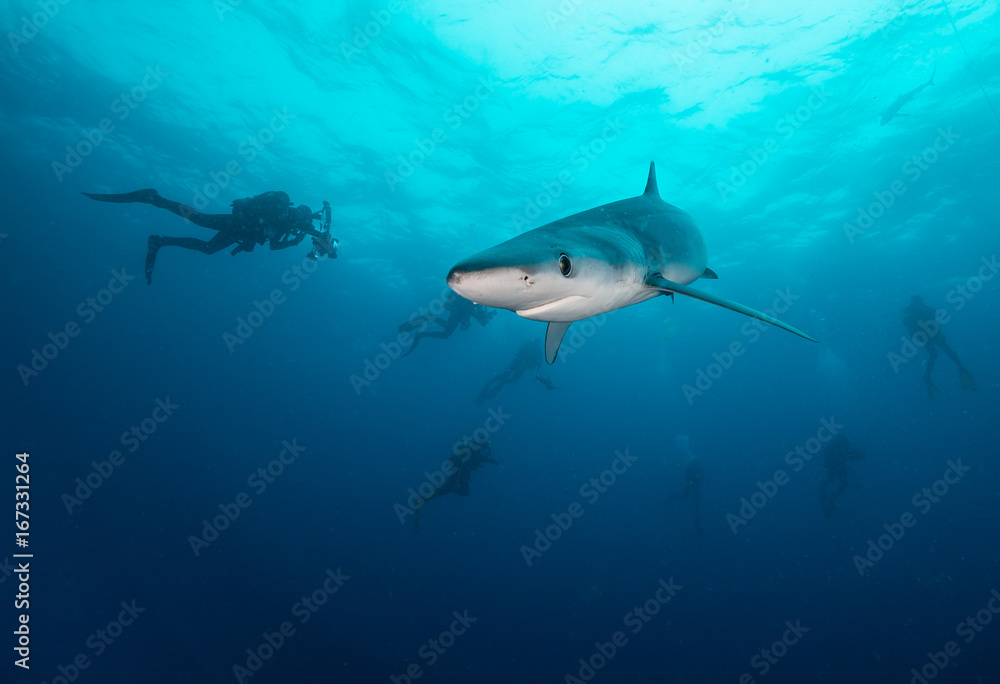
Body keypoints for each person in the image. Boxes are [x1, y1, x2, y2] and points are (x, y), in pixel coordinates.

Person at [82, 189, 337, 284]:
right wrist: (318, 238)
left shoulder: (289, 227)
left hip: (239, 232)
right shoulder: (290, 217)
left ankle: (160, 240)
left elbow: (273, 246)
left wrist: (294, 241)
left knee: (207, 248)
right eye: (304, 219)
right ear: (300, 214)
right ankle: (154, 198)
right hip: (239, 224)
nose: (304, 223)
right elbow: (312, 232)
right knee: (199, 219)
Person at [413, 439, 498, 533]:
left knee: (450, 489)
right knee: (455, 490)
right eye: (486, 448)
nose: (487, 451)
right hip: (460, 473)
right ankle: (423, 499)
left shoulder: (475, 450)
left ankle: (426, 498)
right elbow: (481, 459)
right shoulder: (477, 451)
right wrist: (493, 461)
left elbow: (480, 459)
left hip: (460, 472)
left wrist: (493, 461)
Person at [901, 295, 975, 399]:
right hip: (933, 334)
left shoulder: (910, 312)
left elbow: (911, 329)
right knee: (947, 350)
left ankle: (928, 376)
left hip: (925, 336)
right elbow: (936, 315)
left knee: (935, 354)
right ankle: (961, 368)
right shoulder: (921, 308)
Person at [399, 295, 495, 357]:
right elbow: (472, 309)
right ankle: (427, 321)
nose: (480, 322)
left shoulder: (477, 304)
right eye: (481, 322)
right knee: (447, 332)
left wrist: (489, 314)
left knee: (446, 333)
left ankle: (423, 330)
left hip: (459, 310)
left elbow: (473, 311)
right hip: (458, 309)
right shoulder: (476, 301)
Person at [475, 341, 540, 404]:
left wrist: (527, 361)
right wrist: (528, 362)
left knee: (506, 377)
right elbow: (532, 365)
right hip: (519, 365)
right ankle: (492, 387)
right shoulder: (534, 349)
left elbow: (530, 362)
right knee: (507, 378)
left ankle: (490, 386)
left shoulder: (531, 347)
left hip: (518, 364)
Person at [819, 434, 865, 518]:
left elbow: (850, 455)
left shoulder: (834, 446)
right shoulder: (841, 446)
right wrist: (859, 455)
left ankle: (824, 492)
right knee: (843, 483)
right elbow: (851, 455)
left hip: (834, 466)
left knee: (831, 480)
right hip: (837, 466)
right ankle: (831, 495)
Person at [666, 452, 704, 535]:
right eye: (694, 464)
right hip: (689, 486)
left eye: (696, 464)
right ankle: (674, 495)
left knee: (696, 502)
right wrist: (691, 482)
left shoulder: (698, 469)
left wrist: (698, 478)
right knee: (684, 498)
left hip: (695, 487)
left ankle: (697, 518)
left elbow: (702, 476)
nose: (695, 465)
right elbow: (686, 476)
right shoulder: (689, 469)